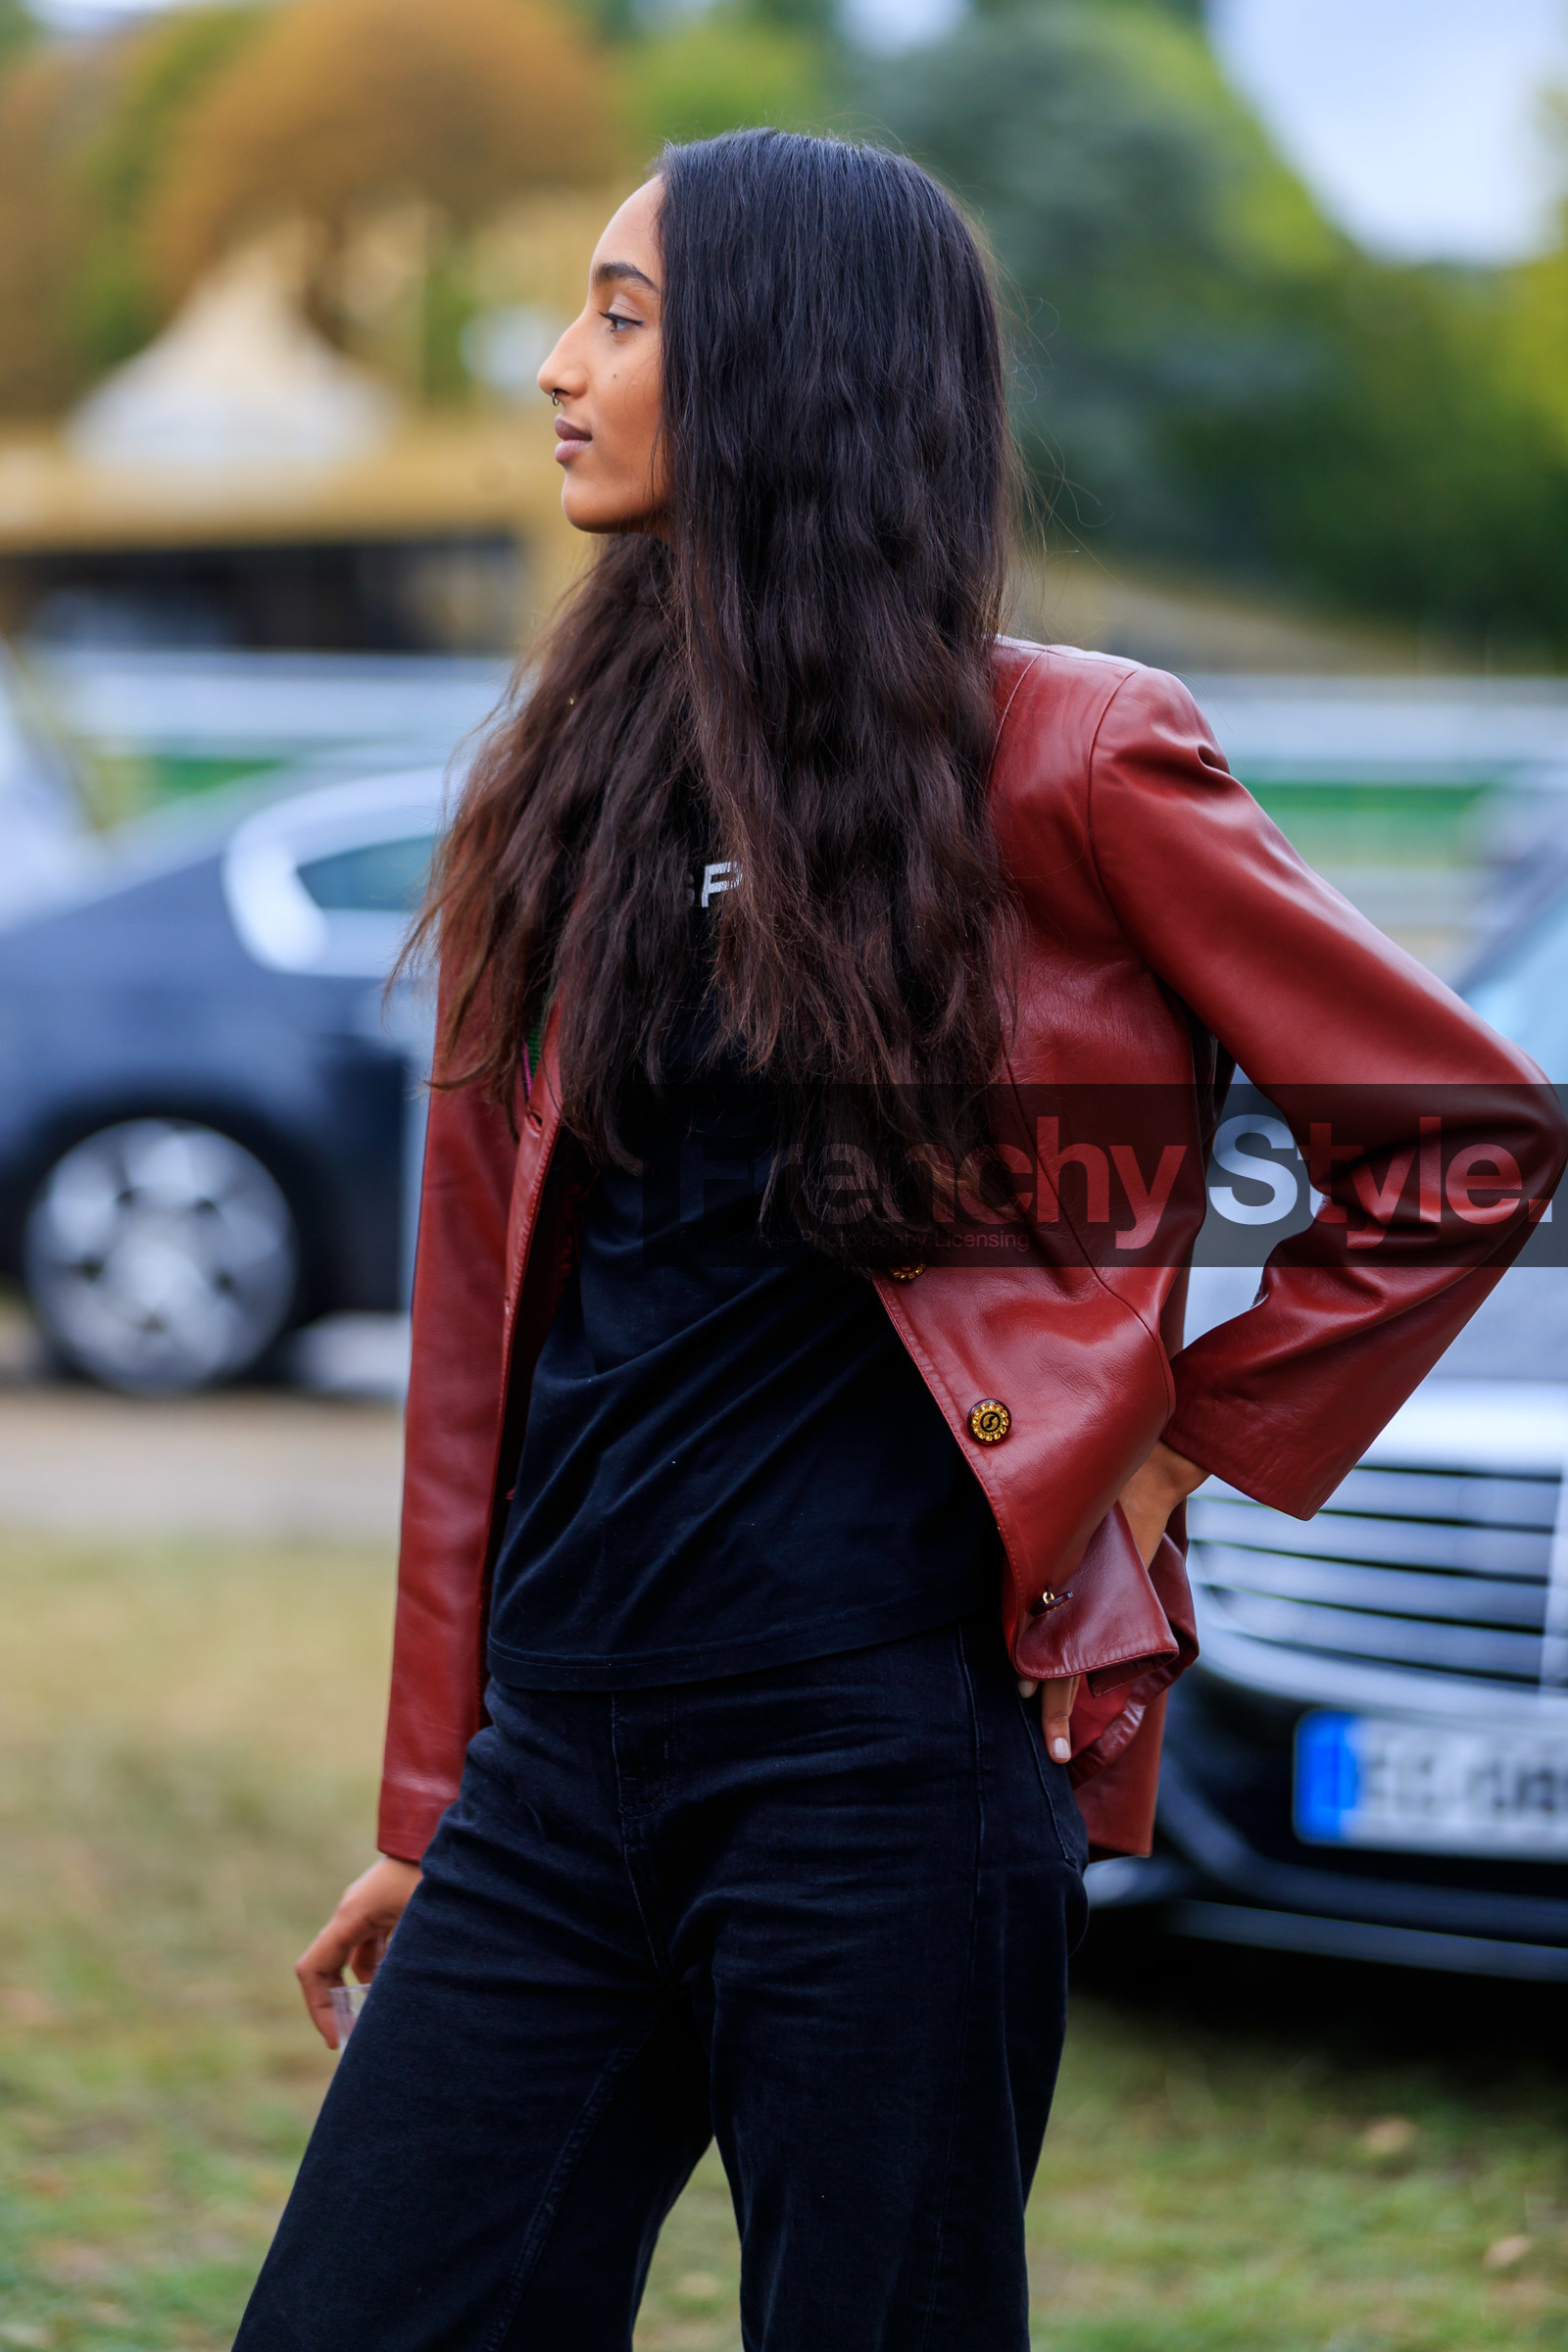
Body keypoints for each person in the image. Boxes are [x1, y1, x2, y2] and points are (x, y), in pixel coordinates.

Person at [234, 129, 1563, 2352]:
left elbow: (1456, 1138)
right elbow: (478, 1341)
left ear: (786, 368)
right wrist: (431, 1797)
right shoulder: (559, 784)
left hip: (883, 1762)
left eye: (621, 317)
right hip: (559, 1769)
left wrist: (1190, 1443)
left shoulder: (1067, 759)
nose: (558, 367)